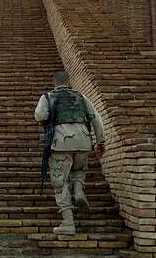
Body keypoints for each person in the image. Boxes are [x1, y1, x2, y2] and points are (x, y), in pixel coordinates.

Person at [34, 71, 105, 235]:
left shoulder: (48, 96)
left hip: (61, 143)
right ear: (69, 82)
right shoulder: (81, 96)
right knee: (79, 171)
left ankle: (68, 223)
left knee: (60, 183)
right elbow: (96, 118)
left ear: (54, 82)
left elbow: (40, 115)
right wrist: (100, 141)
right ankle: (79, 191)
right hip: (83, 142)